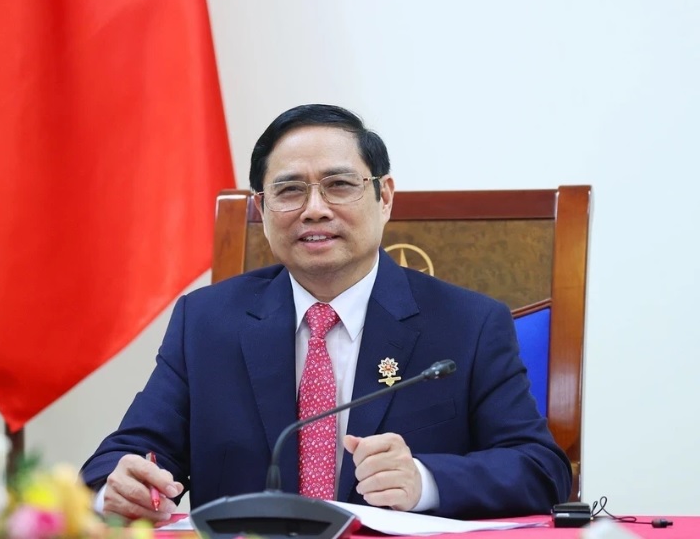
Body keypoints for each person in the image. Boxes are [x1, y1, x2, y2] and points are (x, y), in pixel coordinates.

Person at [80, 104, 572, 522]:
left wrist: (424, 481)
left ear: (384, 197)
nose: (314, 209)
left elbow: (541, 469)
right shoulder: (206, 322)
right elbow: (122, 457)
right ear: (262, 209)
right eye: (290, 191)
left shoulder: (469, 324)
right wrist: (117, 490)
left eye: (339, 184)